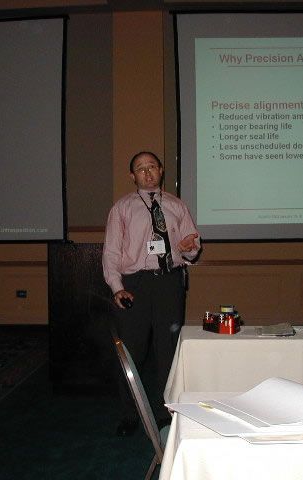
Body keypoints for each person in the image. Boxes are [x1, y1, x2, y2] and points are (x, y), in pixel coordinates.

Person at [103, 151, 201, 436]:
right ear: (132, 176)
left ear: (161, 170)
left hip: (169, 283)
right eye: (140, 168)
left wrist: (189, 248)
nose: (147, 172)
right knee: (132, 352)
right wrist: (117, 287)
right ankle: (129, 414)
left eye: (152, 167)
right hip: (135, 285)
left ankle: (165, 412)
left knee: (167, 351)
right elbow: (111, 252)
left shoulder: (177, 206)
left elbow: (192, 247)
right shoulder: (121, 208)